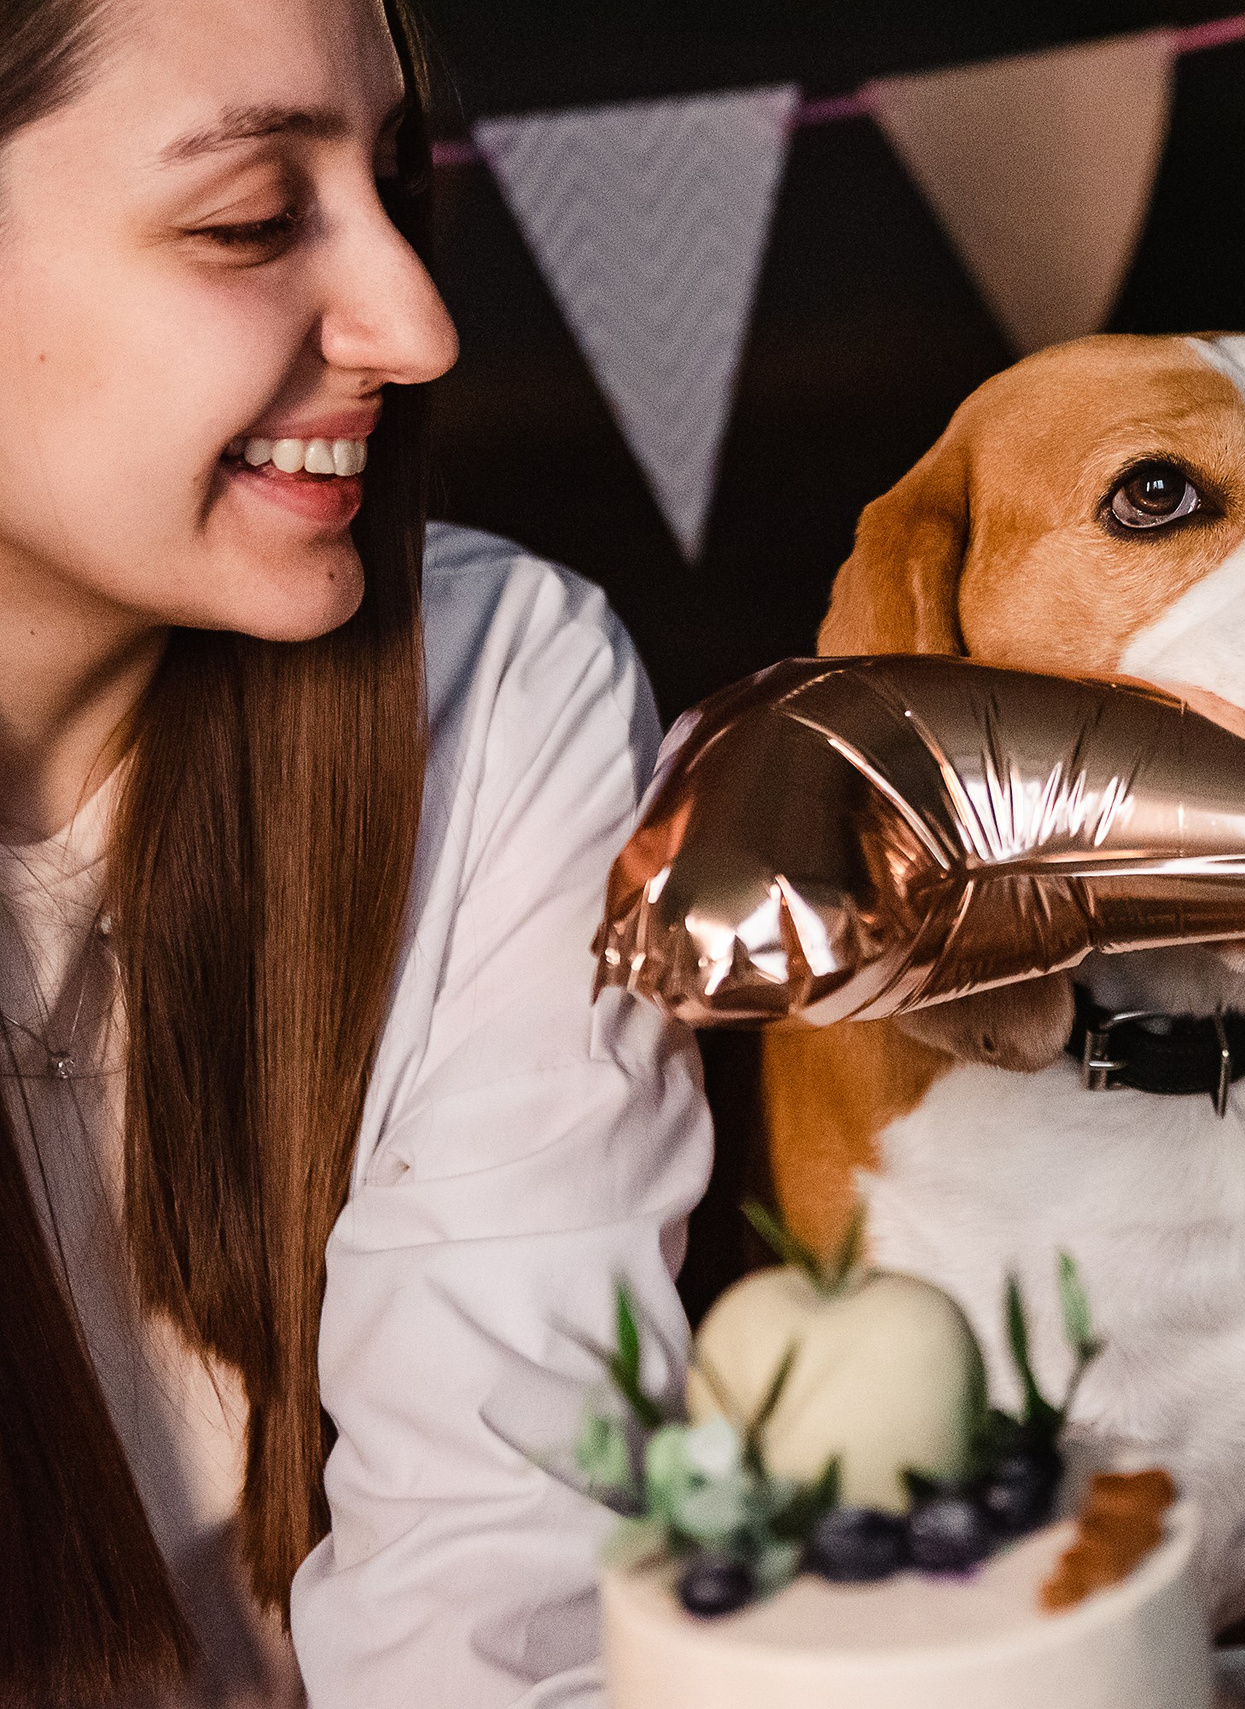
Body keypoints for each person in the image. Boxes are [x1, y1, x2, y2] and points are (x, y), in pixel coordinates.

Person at [0, 0, 712, 1703]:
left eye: (395, 179)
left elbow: (508, 1576)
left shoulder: (494, 680)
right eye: (249, 219)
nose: (417, 323)